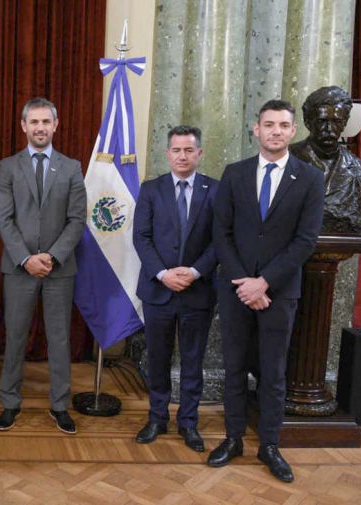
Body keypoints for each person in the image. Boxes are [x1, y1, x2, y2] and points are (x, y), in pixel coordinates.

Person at [209, 100, 324, 483]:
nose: (276, 130)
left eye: (283, 125)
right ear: (255, 129)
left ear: (293, 132)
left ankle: (270, 445)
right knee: (234, 368)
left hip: (279, 292)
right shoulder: (235, 173)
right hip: (237, 290)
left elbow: (305, 241)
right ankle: (233, 438)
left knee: (274, 374)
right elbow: (221, 233)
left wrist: (265, 282)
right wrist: (245, 282)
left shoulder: (310, 178)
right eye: (269, 124)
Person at [0, 97, 86, 435]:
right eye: (34, 122)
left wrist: (52, 257)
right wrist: (27, 258)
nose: (40, 128)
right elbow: (4, 219)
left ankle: (60, 405)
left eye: (46, 122)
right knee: (15, 336)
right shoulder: (8, 167)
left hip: (59, 269)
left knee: (59, 339)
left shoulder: (72, 167)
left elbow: (77, 220)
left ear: (55, 125)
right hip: (18, 269)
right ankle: (10, 403)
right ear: (24, 126)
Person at [132, 125, 218, 452]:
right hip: (159, 291)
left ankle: (189, 422)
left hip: (198, 292)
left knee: (193, 360)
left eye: (189, 150)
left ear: (199, 153)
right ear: (168, 154)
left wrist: (195, 271)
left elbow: (220, 241)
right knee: (158, 359)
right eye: (176, 150)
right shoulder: (151, 189)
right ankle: (156, 418)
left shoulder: (216, 190)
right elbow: (142, 237)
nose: (182, 156)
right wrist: (163, 274)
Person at [289, 85, 361, 234]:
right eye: (322, 121)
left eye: (336, 121)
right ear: (308, 122)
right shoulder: (287, 159)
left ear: (344, 123)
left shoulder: (355, 167)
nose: (329, 128)